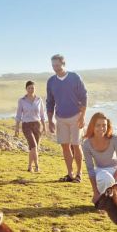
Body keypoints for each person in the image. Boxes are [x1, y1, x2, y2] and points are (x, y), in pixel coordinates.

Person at [46, 54, 87, 182]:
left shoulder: (74, 77)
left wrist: (82, 117)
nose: (55, 68)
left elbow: (84, 97)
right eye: (53, 66)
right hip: (60, 118)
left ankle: (79, 174)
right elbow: (50, 101)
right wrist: (50, 120)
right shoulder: (51, 81)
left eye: (57, 65)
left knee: (76, 145)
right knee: (65, 146)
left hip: (76, 117)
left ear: (63, 64)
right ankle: (70, 174)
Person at [82, 112, 117, 204]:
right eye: (98, 125)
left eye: (104, 125)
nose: (101, 128)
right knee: (106, 179)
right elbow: (90, 169)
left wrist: (113, 183)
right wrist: (95, 193)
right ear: (92, 126)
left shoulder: (114, 139)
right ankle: (105, 198)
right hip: (101, 172)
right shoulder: (86, 144)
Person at [15, 81, 46, 172]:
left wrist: (44, 126)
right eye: (29, 88)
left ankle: (29, 166)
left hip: (37, 125)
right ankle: (37, 167)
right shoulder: (22, 100)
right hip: (26, 125)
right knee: (34, 146)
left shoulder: (39, 100)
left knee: (32, 148)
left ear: (34, 89)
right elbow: (18, 115)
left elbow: (42, 114)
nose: (31, 90)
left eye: (32, 88)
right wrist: (17, 127)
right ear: (26, 89)